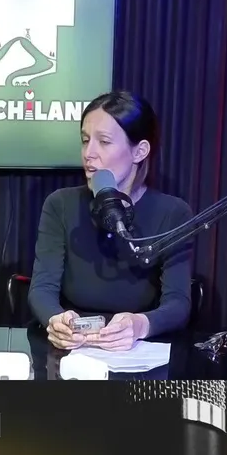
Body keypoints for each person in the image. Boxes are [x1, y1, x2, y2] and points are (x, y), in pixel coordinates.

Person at [28, 91, 193, 351]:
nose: (88, 153)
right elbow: (42, 288)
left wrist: (140, 325)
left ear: (140, 151)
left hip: (135, 348)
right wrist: (55, 320)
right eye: (85, 140)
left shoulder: (173, 213)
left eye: (104, 141)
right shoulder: (60, 204)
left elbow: (178, 303)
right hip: (73, 348)